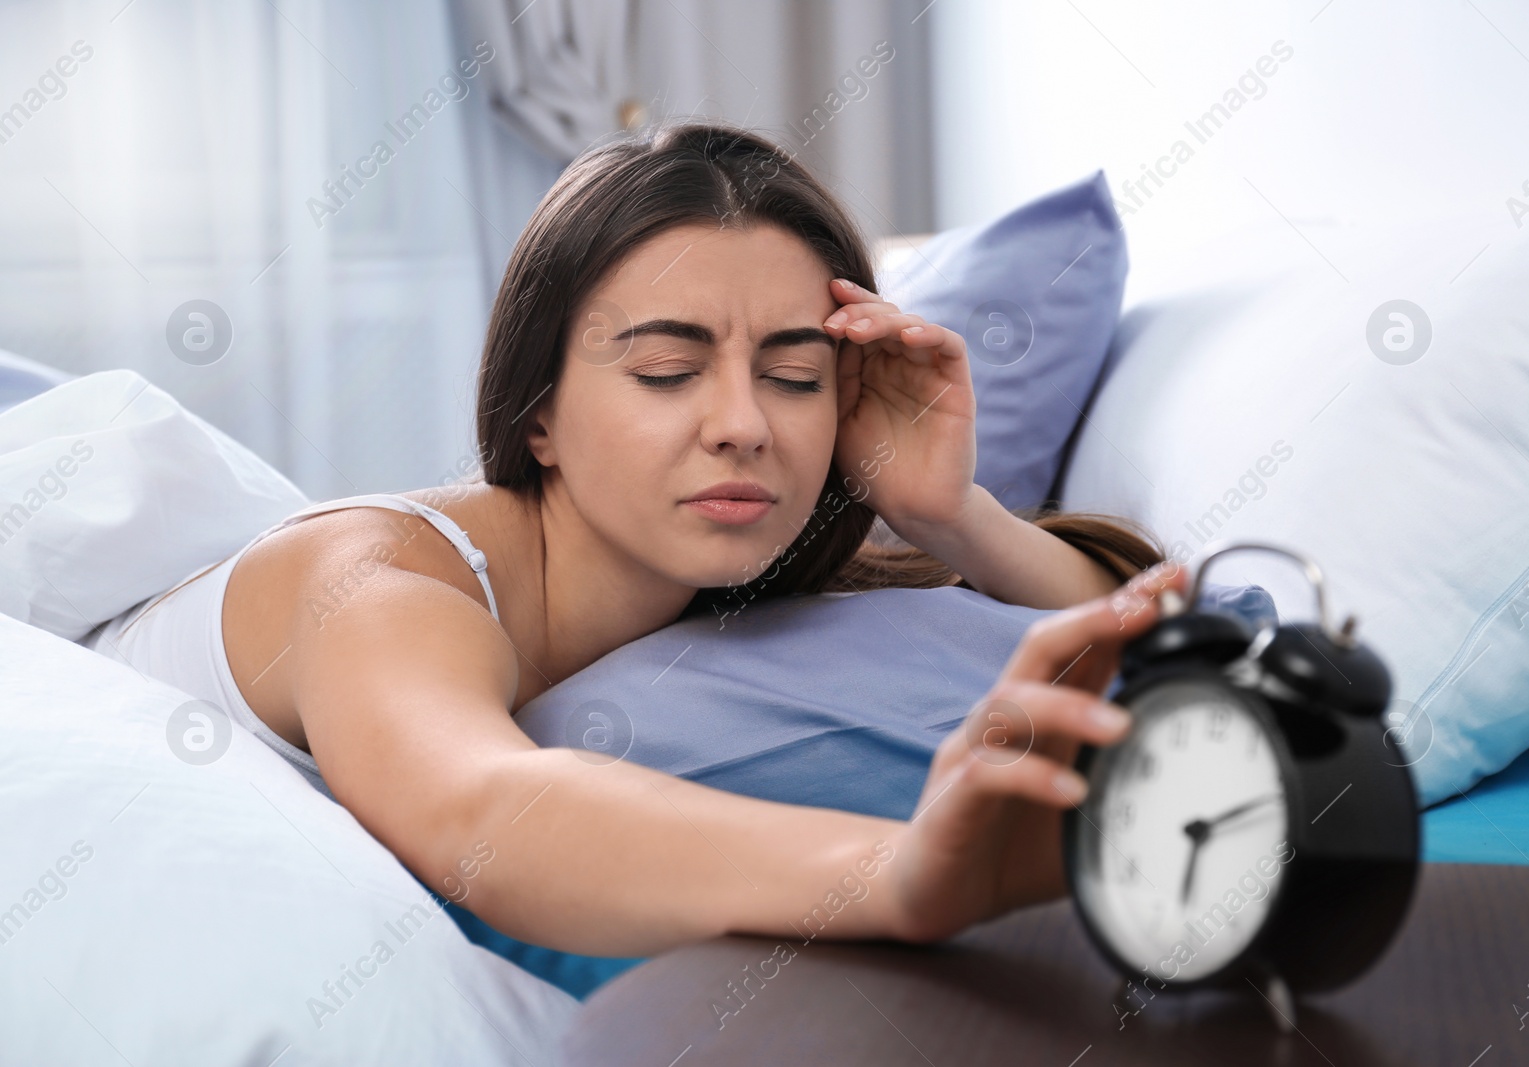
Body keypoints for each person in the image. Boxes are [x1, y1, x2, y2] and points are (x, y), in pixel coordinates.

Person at [89, 121, 1181, 959]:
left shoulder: (724, 583)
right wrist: (894, 872)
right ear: (539, 416)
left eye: (795, 376)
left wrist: (947, 511)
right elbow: (481, 806)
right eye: (667, 370)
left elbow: (1134, 625)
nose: (744, 424)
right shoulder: (376, 581)